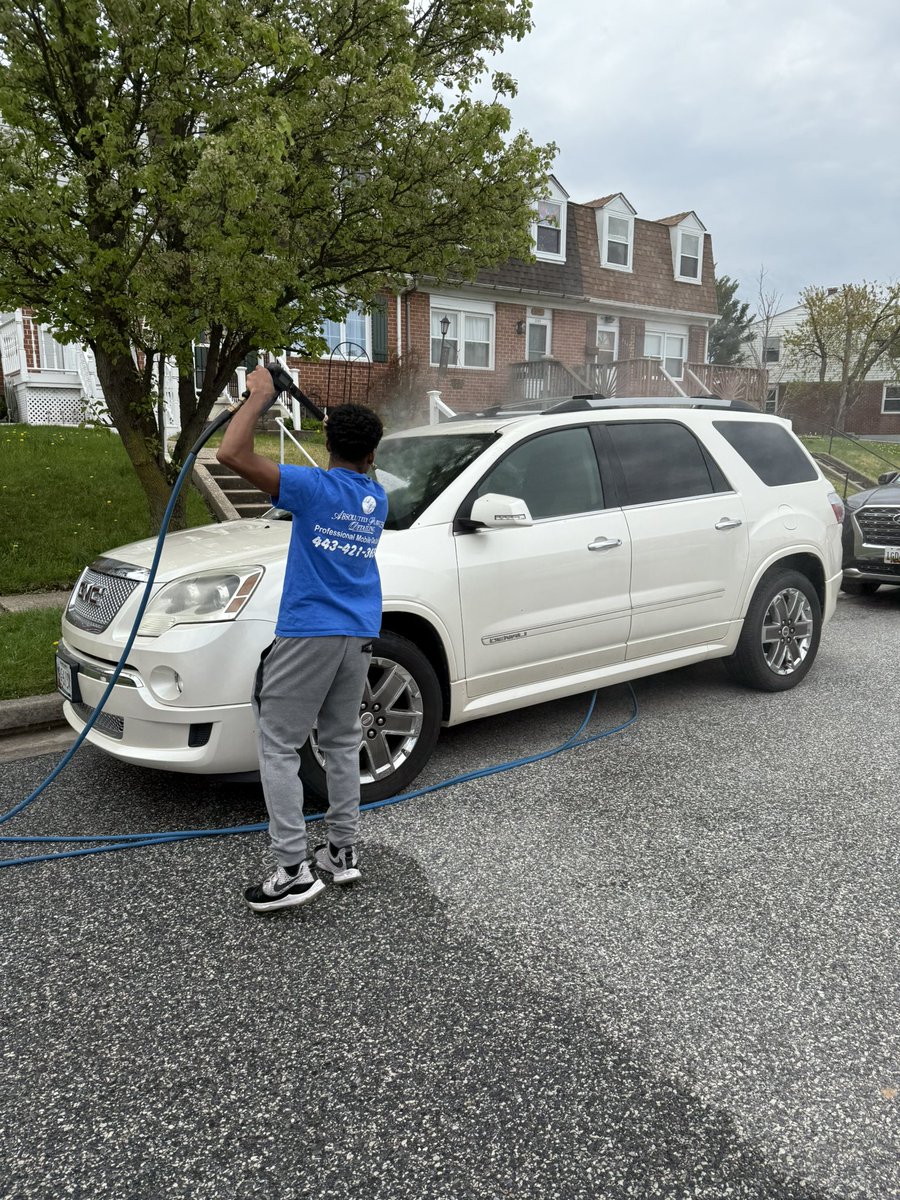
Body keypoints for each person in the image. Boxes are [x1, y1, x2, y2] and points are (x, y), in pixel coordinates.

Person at [216, 365, 387, 914]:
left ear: (327, 444)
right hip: (358, 633)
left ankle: (292, 869)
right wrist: (345, 438)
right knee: (339, 742)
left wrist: (261, 397)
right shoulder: (374, 499)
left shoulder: (314, 488)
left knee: (279, 744)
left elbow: (232, 455)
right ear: (371, 455)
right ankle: (341, 850)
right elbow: (357, 465)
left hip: (311, 630)